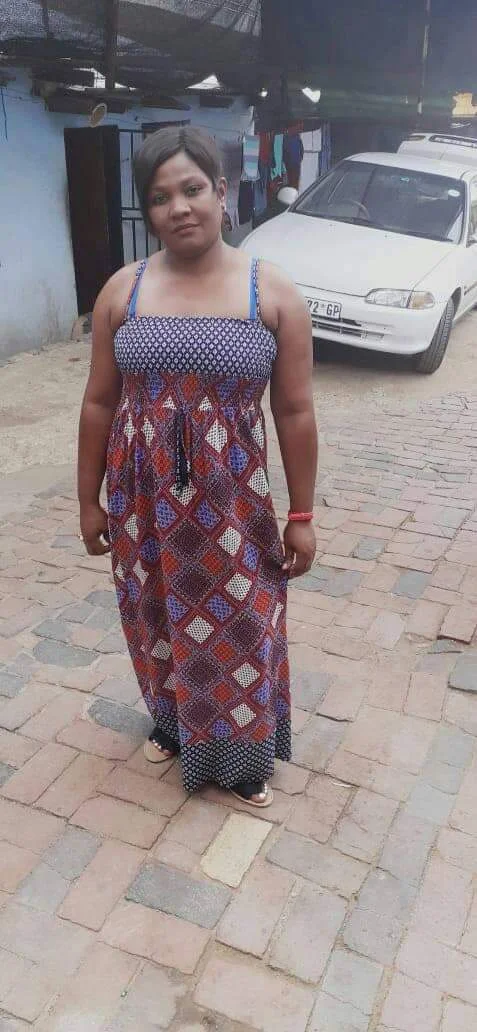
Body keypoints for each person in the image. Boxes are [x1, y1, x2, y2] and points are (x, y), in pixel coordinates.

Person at [78, 126, 317, 808]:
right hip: (142, 501)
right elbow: (99, 402)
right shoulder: (123, 291)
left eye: (192, 189)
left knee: (243, 619)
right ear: (148, 210)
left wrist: (301, 514)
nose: (179, 207)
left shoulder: (270, 292)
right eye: (160, 197)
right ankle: (176, 722)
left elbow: (295, 411)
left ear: (222, 191)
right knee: (153, 611)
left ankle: (241, 757)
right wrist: (89, 500)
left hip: (233, 503)